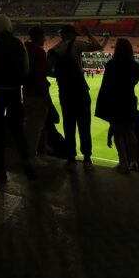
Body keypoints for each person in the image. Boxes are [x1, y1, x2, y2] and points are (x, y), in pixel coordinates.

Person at [0, 15, 35, 182]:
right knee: (18, 129)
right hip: (14, 92)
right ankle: (27, 163)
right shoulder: (20, 44)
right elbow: (26, 69)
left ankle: (0, 168)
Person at [48, 24, 102, 169]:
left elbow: (47, 70)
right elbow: (98, 46)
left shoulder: (53, 50)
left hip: (65, 92)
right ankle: (87, 159)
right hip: (80, 91)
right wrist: (88, 33)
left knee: (68, 126)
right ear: (70, 34)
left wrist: (61, 77)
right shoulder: (76, 45)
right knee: (84, 125)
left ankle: (71, 158)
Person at [95, 38, 139, 173]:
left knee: (118, 132)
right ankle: (134, 162)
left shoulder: (111, 64)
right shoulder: (135, 65)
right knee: (130, 131)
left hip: (115, 101)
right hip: (129, 100)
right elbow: (134, 82)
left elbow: (106, 85)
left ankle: (123, 162)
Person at [22, 26, 51, 161]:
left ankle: (27, 153)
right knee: (36, 127)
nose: (45, 39)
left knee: (29, 124)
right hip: (38, 93)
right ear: (39, 37)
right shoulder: (39, 52)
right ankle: (32, 157)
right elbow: (41, 73)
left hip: (26, 91)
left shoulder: (25, 49)